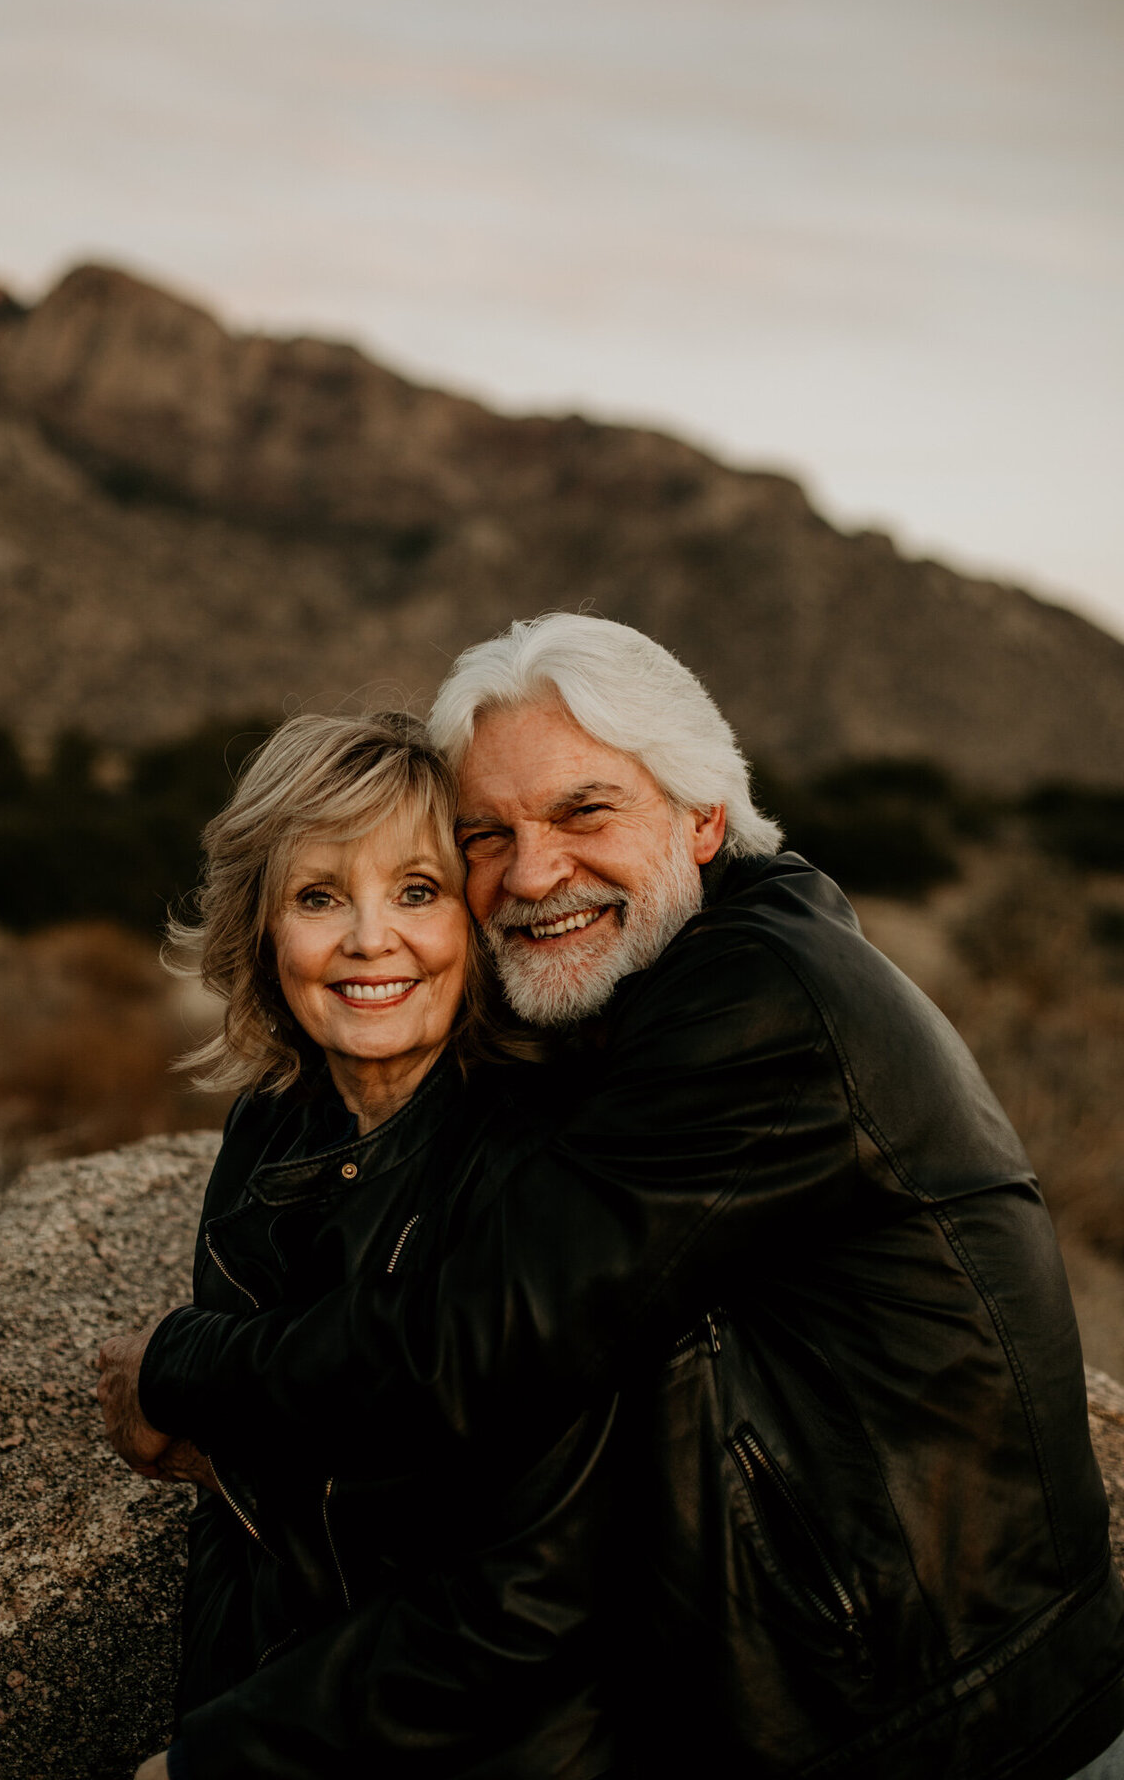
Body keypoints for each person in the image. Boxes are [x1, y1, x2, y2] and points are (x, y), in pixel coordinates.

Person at [103, 614, 1124, 1779]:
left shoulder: (756, 999)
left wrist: (184, 1366)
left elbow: (476, 1352)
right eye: (489, 834)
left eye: (586, 813)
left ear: (703, 817)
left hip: (949, 1720)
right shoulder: (595, 1009)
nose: (534, 871)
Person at [102, 710, 619, 1780]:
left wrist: (226, 1761)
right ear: (262, 929)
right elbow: (239, 1505)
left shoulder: (542, 1153)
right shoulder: (272, 1124)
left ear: (480, 917)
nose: (370, 939)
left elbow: (528, 1584)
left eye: (417, 892)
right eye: (318, 896)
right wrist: (207, 1724)